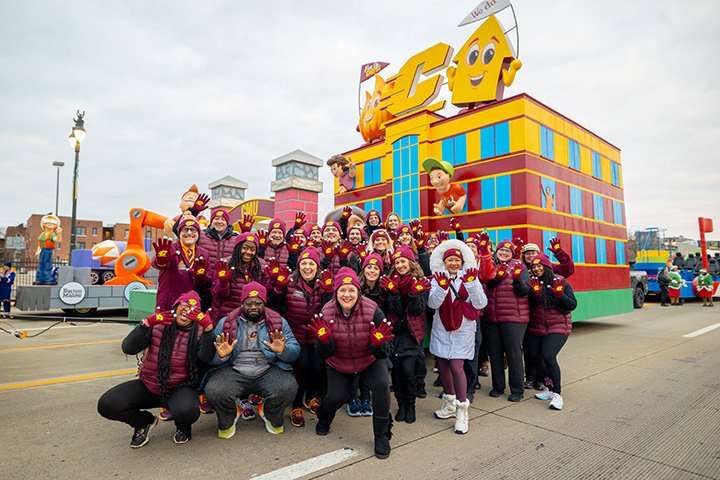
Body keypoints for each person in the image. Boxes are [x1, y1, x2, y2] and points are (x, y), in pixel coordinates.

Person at [97, 291, 215, 447]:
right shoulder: (158, 325)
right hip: (149, 385)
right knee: (107, 404)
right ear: (176, 307)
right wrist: (145, 324)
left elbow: (205, 358)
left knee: (187, 411)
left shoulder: (200, 333)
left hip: (179, 388)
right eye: (184, 305)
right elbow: (128, 348)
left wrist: (208, 330)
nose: (187, 310)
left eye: (193, 309)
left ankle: (183, 426)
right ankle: (143, 422)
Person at [311, 267, 395, 459]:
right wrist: (325, 342)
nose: (347, 294)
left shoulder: (373, 309)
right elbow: (323, 354)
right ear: (336, 292)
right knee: (335, 397)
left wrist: (377, 346)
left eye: (351, 290)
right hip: (339, 362)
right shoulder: (327, 311)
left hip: (369, 360)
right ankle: (324, 417)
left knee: (382, 386)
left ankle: (382, 436)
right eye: (342, 290)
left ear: (358, 291)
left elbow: (386, 349)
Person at [204, 282, 300, 438]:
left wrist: (283, 350)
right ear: (242, 304)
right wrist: (222, 356)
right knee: (214, 390)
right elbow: (211, 360)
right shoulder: (226, 322)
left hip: (266, 369)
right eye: (249, 303)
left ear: (264, 303)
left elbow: (295, 352)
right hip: (235, 369)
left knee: (288, 387)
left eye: (258, 303)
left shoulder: (278, 322)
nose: (253, 306)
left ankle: (269, 412)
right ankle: (230, 416)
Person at [268, 248, 332, 427]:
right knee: (302, 367)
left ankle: (311, 397)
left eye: (311, 263)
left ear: (317, 266)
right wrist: (278, 289)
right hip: (295, 334)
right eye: (303, 263)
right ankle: (296, 404)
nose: (307, 267)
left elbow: (330, 309)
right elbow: (274, 304)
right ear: (298, 266)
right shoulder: (290, 283)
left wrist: (328, 293)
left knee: (317, 367)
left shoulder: (323, 283)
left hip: (317, 334)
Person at [427, 240, 487, 434]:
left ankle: (462, 410)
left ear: (462, 262)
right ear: (444, 263)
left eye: (456, 260)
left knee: (456, 366)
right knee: (443, 365)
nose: (453, 263)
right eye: (449, 260)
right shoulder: (437, 278)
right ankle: (450, 403)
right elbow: (432, 304)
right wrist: (442, 288)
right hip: (442, 329)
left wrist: (471, 285)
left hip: (463, 330)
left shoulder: (470, 277)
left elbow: (480, 303)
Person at [382, 246, 429, 424]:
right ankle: (401, 405)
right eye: (397, 262)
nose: (400, 265)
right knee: (397, 372)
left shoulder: (420, 281)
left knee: (408, 370)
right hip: (396, 332)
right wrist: (393, 293)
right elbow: (395, 310)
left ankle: (411, 406)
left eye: (403, 261)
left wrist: (415, 294)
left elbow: (417, 311)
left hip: (412, 333)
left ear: (411, 263)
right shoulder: (392, 282)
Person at [526, 254, 576, 411]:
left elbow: (572, 305)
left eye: (540, 266)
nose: (537, 269)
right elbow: (531, 306)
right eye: (534, 267)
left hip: (558, 325)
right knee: (534, 357)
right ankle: (548, 387)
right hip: (537, 326)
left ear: (547, 267)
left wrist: (560, 296)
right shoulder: (533, 282)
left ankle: (557, 394)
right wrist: (534, 294)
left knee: (548, 355)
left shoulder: (560, 281)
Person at [484, 239, 532, 402]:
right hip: (491, 317)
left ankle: (517, 389)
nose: (504, 253)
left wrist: (518, 280)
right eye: (501, 250)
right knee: (495, 353)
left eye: (508, 251)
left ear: (512, 254)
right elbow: (486, 285)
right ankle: (498, 386)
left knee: (513, 354)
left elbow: (525, 291)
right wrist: (497, 278)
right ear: (496, 251)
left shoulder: (519, 266)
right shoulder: (490, 265)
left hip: (514, 318)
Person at [152, 217, 213, 312]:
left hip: (193, 303)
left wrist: (202, 278)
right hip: (170, 303)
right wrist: (161, 261)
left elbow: (208, 281)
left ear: (198, 233)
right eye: (185, 229)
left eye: (193, 230)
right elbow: (155, 262)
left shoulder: (204, 253)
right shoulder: (170, 249)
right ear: (179, 233)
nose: (189, 233)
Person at [34, 215, 62, 285]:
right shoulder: (42, 234)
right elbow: (40, 243)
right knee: (41, 264)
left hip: (48, 250)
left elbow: (58, 240)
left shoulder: (52, 235)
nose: (49, 224)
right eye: (47, 223)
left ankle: (47, 278)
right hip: (42, 250)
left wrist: (59, 234)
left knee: (47, 264)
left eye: (52, 223)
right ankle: (39, 278)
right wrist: (38, 250)